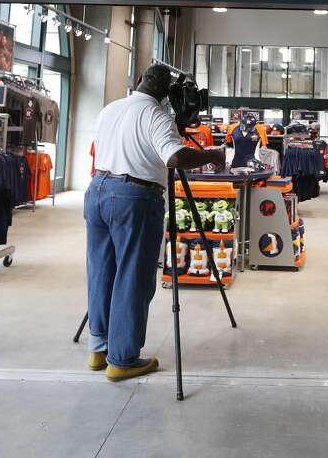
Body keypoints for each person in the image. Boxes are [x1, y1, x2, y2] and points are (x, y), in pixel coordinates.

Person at [85, 64, 226, 381]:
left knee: (101, 271)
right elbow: (174, 157)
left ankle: (98, 348)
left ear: (138, 82)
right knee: (133, 276)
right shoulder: (156, 116)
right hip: (135, 196)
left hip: (97, 190)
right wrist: (212, 155)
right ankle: (122, 359)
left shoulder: (111, 108)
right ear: (169, 93)